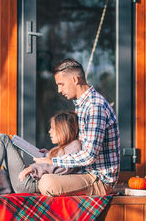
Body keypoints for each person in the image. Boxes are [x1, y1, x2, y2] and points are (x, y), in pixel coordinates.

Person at [34, 58, 120, 196]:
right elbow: (77, 145)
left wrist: (52, 161)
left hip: (99, 179)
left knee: (47, 183)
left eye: (61, 84)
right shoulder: (82, 105)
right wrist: (54, 152)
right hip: (82, 173)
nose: (59, 90)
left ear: (75, 79)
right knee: (43, 176)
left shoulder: (94, 107)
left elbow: (89, 155)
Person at [0, 112, 82, 195]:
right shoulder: (63, 147)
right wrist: (48, 154)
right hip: (27, 180)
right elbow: (56, 161)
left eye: (53, 128)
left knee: (1, 138)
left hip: (30, 182)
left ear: (63, 129)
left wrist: (33, 168)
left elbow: (65, 166)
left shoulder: (75, 145)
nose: (49, 131)